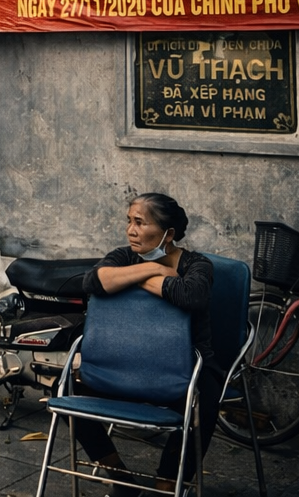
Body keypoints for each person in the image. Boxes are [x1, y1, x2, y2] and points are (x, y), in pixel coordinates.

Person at [78, 193, 219, 494]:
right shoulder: (125, 256)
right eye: (129, 221)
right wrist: (154, 270)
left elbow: (190, 294)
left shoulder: (197, 264)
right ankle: (119, 476)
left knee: (205, 403)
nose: (131, 230)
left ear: (168, 234)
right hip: (125, 363)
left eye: (140, 223)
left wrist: (126, 280)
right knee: (64, 388)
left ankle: (168, 483)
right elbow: (92, 282)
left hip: (182, 369)